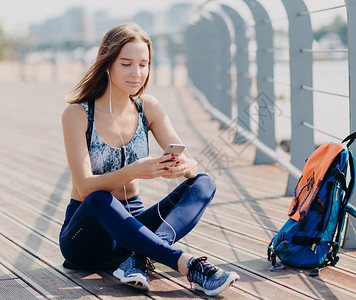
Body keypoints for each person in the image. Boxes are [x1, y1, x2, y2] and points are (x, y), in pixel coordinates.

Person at [59, 22, 239, 296]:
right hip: (85, 237)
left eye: (144, 64)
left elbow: (189, 164)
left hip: (134, 226)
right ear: (107, 64)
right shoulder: (78, 115)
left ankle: (140, 256)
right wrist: (135, 171)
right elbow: (84, 187)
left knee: (203, 183)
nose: (137, 73)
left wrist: (184, 166)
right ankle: (187, 265)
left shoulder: (148, 107)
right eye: (127, 64)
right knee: (98, 197)